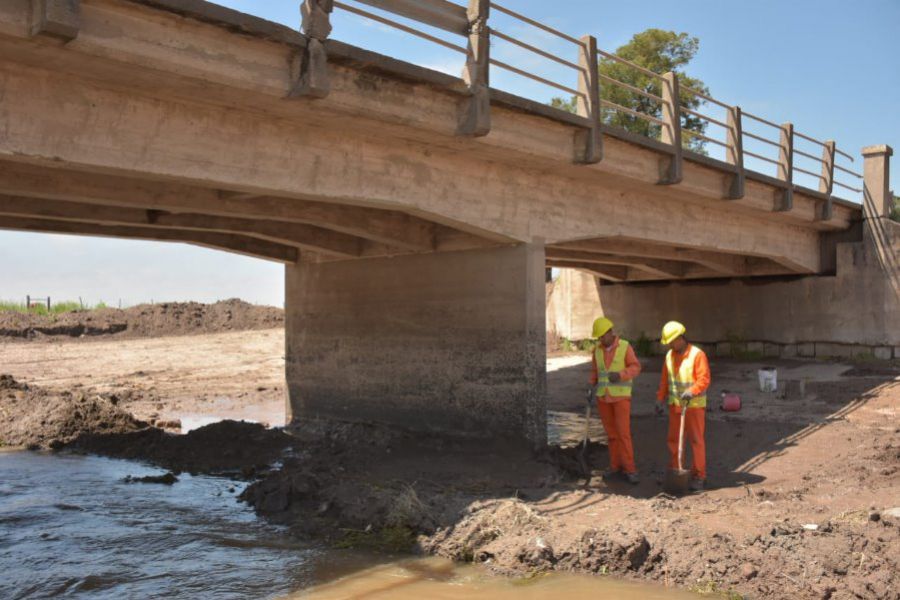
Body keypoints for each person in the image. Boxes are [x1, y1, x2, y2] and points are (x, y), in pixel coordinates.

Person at [656, 321, 710, 491]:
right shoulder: (669, 357)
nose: (671, 345)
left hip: (693, 406)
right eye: (669, 342)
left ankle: (699, 476)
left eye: (672, 341)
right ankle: (676, 471)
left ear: (681, 338)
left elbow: (704, 379)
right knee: (674, 440)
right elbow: (665, 381)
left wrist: (692, 390)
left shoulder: (697, 355)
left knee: (696, 441)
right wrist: (660, 399)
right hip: (675, 406)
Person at [589, 317, 642, 484]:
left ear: (610, 333)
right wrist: (591, 386)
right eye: (598, 337)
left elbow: (635, 367)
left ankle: (630, 469)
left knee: (623, 434)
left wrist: (620, 375)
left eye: (602, 336)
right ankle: (615, 466)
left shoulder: (625, 347)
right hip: (603, 398)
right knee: (612, 435)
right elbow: (596, 372)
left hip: (620, 398)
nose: (600, 340)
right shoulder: (597, 351)